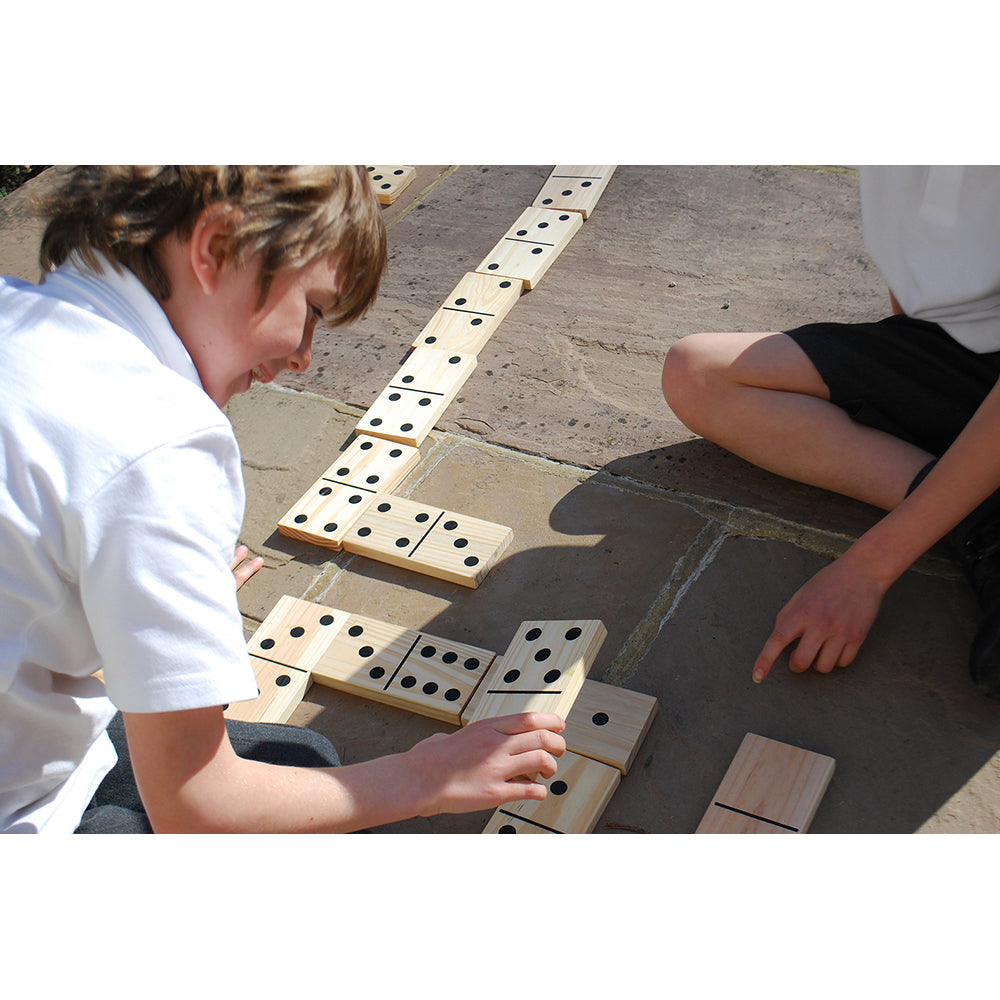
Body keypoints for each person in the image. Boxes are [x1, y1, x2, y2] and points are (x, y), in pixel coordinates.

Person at [0, 165, 565, 834]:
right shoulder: (162, 445)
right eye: (314, 310)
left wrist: (146, 586)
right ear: (213, 250)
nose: (303, 356)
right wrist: (428, 779)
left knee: (299, 761)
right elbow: (198, 809)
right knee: (307, 794)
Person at [661, 166, 1000, 696]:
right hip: (971, 352)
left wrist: (867, 569)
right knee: (698, 375)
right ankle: (981, 515)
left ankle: (967, 495)